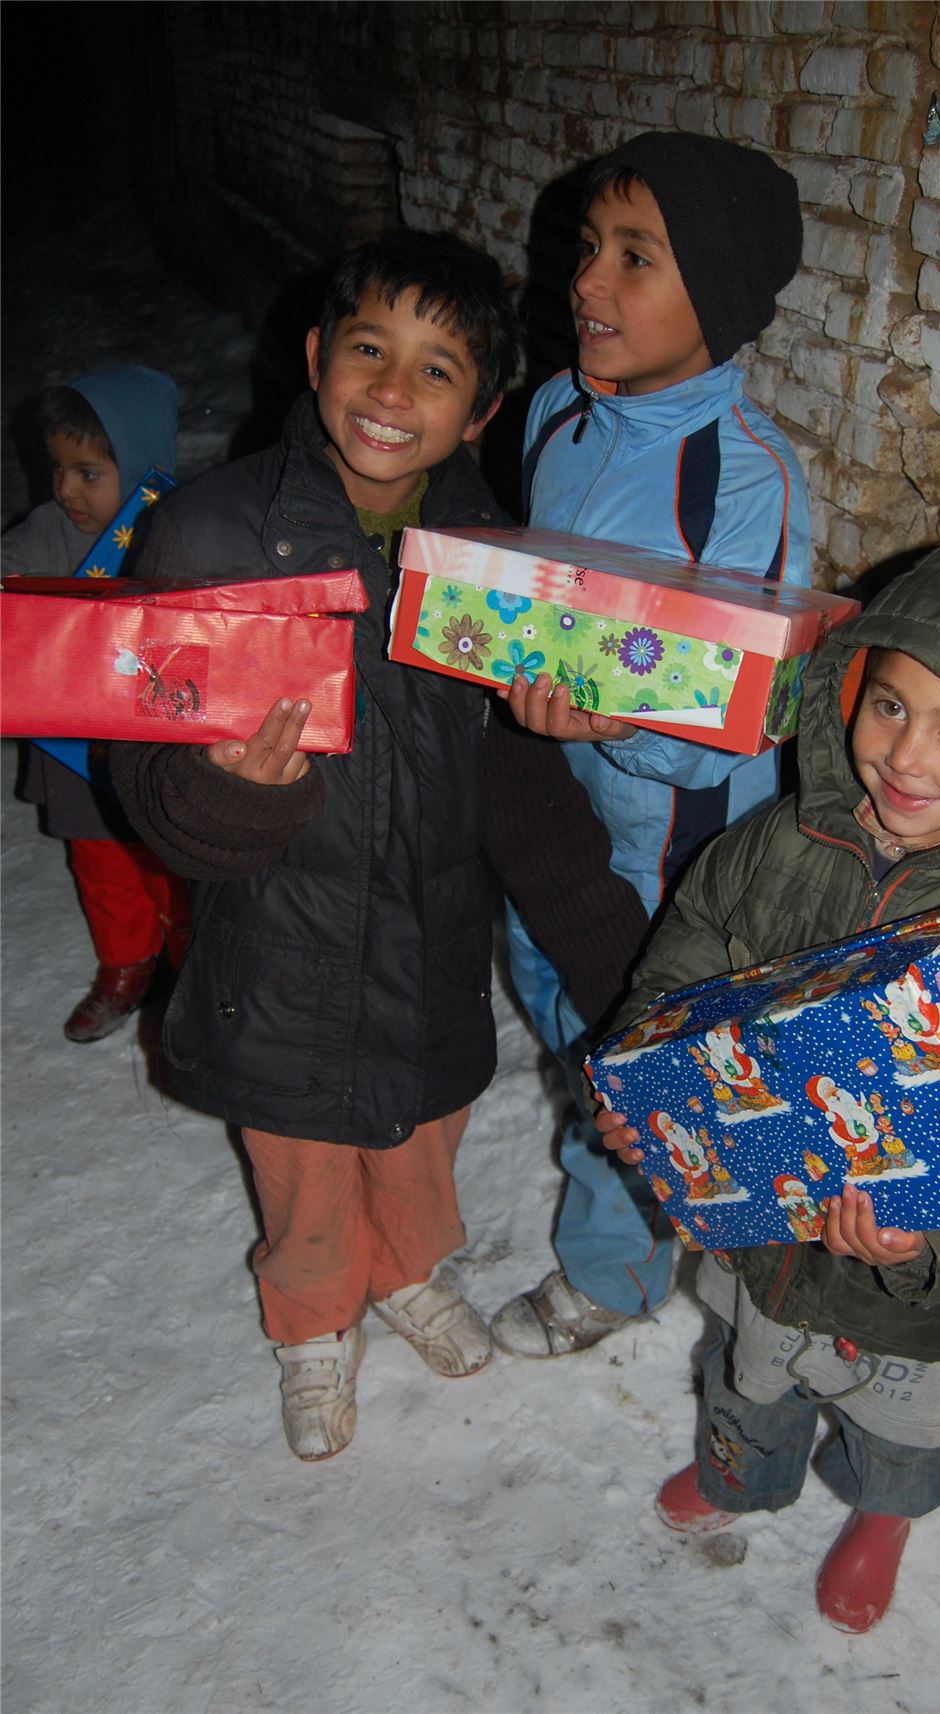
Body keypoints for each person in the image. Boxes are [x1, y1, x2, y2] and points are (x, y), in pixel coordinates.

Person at [596, 538, 940, 1631]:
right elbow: (689, 952)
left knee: (910, 1425)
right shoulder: (778, 840)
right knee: (751, 1374)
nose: (904, 757)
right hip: (774, 1237)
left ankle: (885, 1512)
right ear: (848, 685)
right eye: (887, 705)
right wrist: (650, 1091)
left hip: (933, 1283)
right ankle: (744, 1471)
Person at [109, 232, 518, 1460]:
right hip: (279, 937)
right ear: (314, 357)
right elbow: (147, 779)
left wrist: (566, 715)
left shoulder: (491, 554)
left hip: (436, 927)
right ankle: (311, 1323)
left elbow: (511, 763)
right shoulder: (209, 536)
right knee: (300, 1162)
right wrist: (233, 793)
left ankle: (404, 1273)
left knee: (417, 1137)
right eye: (370, 350)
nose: (395, 392)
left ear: (479, 411)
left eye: (439, 370)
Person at [483, 130, 812, 1357]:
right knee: (562, 1008)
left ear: (715, 297)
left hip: (664, 844)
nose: (588, 284)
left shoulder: (745, 484)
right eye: (590, 251)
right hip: (552, 808)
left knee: (628, 1059)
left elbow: (741, 711)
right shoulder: (562, 412)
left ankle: (616, 1271)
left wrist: (623, 722)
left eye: (637, 258)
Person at [2, 366, 191, 1041]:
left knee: (171, 864)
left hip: (152, 744)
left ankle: (188, 974)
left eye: (88, 473)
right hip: (71, 742)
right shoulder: (47, 532)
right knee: (100, 862)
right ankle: (126, 965)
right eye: (58, 470)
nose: (65, 490)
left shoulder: (178, 529)